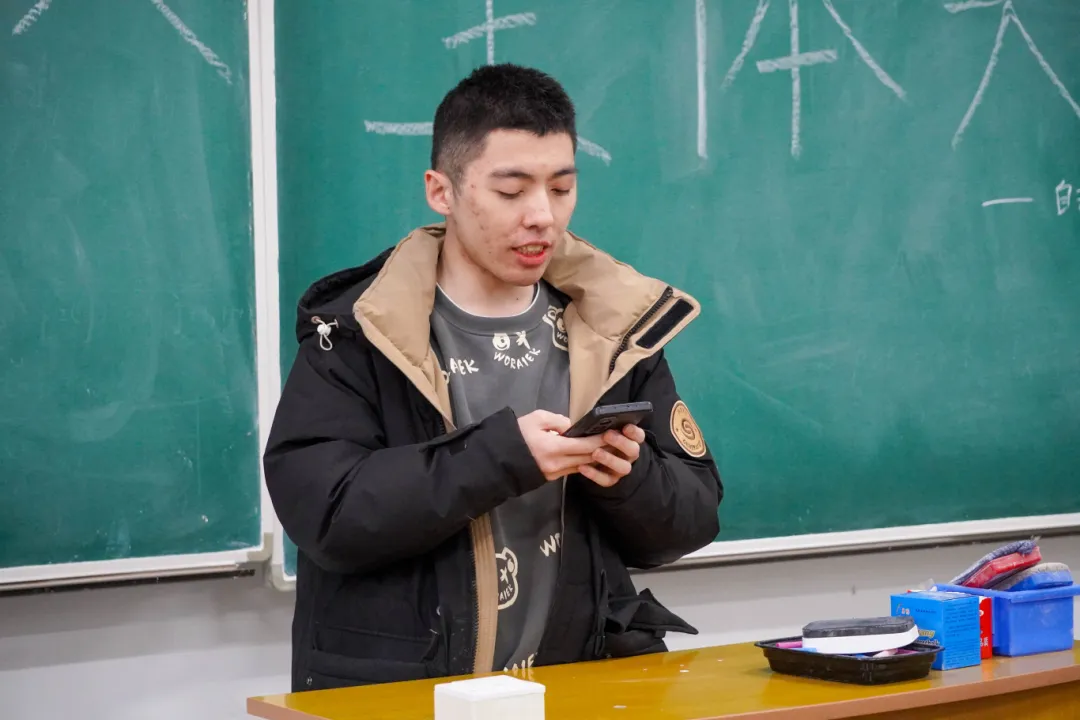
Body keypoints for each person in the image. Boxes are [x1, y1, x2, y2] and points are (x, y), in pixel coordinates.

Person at [263, 63, 723, 693]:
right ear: (442, 191)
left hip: (574, 692)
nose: (542, 216)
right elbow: (329, 515)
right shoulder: (360, 330)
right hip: (406, 697)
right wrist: (503, 457)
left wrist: (629, 478)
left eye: (561, 188)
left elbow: (691, 521)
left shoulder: (612, 326)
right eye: (511, 191)